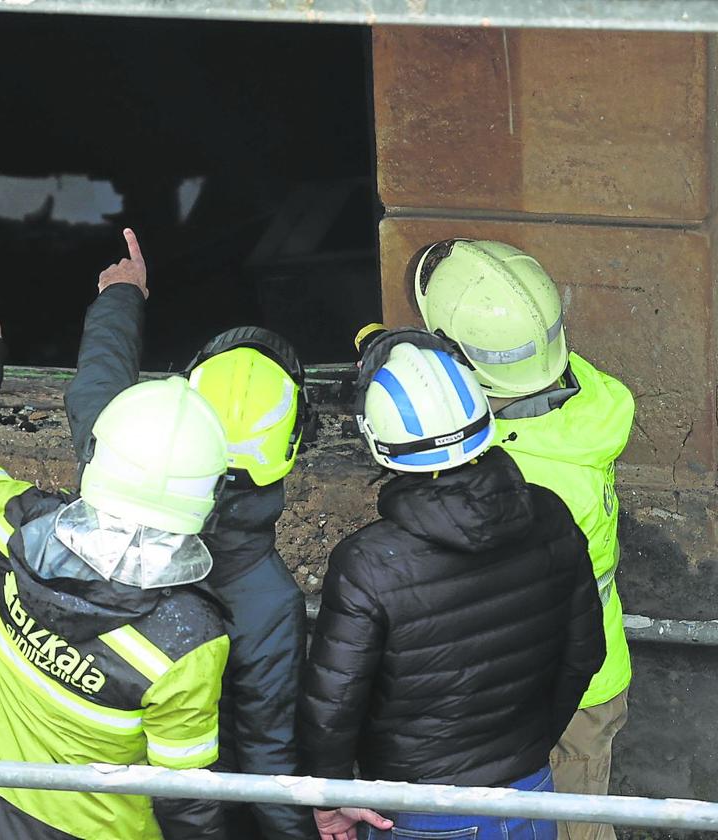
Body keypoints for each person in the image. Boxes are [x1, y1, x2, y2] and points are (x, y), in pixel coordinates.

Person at [0, 283, 232, 840]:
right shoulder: (189, 642)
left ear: (98, 456)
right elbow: (185, 799)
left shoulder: (18, 528)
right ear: (210, 496)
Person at [300, 328, 605, 840]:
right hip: (530, 792)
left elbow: (334, 704)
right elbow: (584, 653)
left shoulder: (368, 563)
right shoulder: (551, 515)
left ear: (380, 444)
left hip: (420, 808)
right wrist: (526, 752)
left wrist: (330, 798)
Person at [64, 229, 312, 839]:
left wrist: (122, 297)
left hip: (80, 779)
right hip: (191, 808)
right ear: (291, 446)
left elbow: (97, 388)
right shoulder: (270, 599)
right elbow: (267, 756)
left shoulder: (116, 465)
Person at [412, 239, 635, 840]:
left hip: (561, 692)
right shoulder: (584, 401)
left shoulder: (522, 477)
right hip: (588, 671)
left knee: (572, 831)